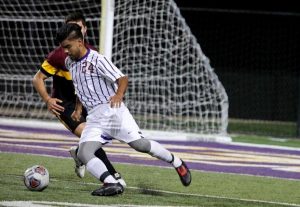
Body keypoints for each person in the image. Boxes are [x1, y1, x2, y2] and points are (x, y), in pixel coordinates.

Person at [56, 23, 192, 196]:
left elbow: (122, 78)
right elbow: (80, 87)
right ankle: (111, 183)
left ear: (80, 42)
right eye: (63, 48)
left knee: (141, 145)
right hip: (94, 117)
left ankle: (177, 162)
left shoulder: (97, 59)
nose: (66, 51)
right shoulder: (70, 62)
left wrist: (119, 94)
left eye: (68, 47)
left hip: (113, 111)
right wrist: (77, 108)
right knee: (83, 152)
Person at [32, 12, 125, 187]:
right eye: (70, 26)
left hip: (85, 103)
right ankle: (113, 176)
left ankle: (80, 153)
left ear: (84, 30)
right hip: (64, 104)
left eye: (78, 26)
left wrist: (83, 106)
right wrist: (47, 99)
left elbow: (85, 85)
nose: (75, 30)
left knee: (103, 135)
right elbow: (37, 79)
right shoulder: (59, 56)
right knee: (87, 135)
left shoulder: (92, 54)